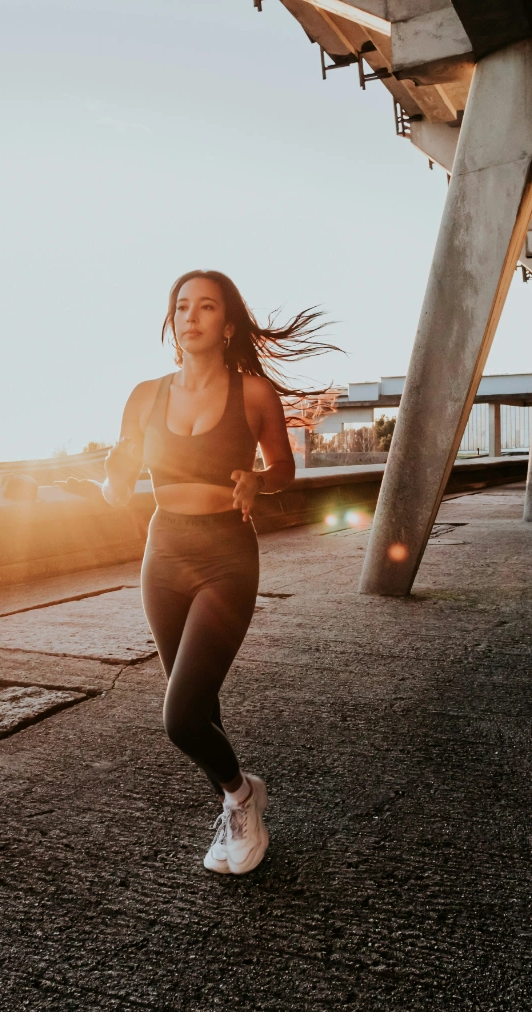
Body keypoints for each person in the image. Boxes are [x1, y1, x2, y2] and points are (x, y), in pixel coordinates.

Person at [70, 270, 334, 875]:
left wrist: (258, 481)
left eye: (206, 306)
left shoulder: (254, 394)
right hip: (162, 554)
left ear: (228, 323)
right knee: (200, 700)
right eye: (182, 306)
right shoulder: (144, 395)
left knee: (180, 715)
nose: (191, 316)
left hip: (226, 555)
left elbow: (285, 468)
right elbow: (117, 492)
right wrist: (113, 472)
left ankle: (242, 795)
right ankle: (235, 801)